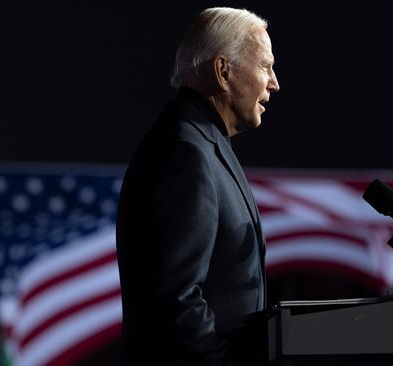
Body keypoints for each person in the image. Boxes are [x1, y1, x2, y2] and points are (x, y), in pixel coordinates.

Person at [116, 7, 280, 365]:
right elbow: (178, 299)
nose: (274, 83)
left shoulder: (204, 144)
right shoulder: (184, 151)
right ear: (224, 71)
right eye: (265, 66)